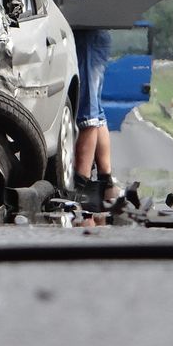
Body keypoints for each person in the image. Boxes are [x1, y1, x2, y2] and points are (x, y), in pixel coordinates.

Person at [73, 29, 119, 210]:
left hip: (86, 37)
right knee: (95, 109)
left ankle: (82, 187)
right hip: (94, 36)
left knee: (87, 110)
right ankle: (105, 182)